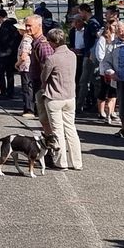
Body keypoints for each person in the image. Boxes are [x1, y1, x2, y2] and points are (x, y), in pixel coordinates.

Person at [41, 28, 83, 170]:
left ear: (53, 42)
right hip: (70, 96)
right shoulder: (72, 55)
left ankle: (61, 162)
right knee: (71, 129)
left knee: (57, 130)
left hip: (54, 97)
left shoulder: (52, 58)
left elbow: (44, 77)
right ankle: (77, 162)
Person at [24, 14, 55, 130]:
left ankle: (53, 144)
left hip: (44, 88)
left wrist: (44, 86)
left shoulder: (43, 45)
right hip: (39, 85)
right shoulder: (36, 42)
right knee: (43, 118)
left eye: (29, 26)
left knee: (46, 119)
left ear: (39, 26)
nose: (27, 28)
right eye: (26, 26)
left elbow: (49, 67)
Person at [93, 21, 118, 124]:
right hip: (105, 70)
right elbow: (99, 55)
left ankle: (110, 113)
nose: (115, 27)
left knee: (113, 91)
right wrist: (107, 60)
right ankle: (101, 111)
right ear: (108, 26)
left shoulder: (117, 38)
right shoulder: (103, 39)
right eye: (113, 25)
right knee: (104, 90)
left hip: (115, 69)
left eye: (116, 25)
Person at [0, 9, 20, 99]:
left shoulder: (3, 28)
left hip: (3, 54)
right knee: (10, 74)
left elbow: (0, 40)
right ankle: (11, 92)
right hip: (13, 54)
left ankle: (3, 91)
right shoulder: (15, 27)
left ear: (0, 17)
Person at [16, 22, 34, 115]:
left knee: (27, 87)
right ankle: (27, 107)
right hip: (25, 66)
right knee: (27, 87)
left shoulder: (26, 39)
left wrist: (17, 63)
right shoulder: (25, 38)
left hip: (25, 66)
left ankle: (29, 109)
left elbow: (24, 55)